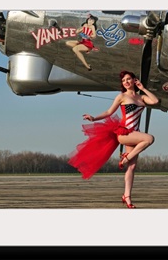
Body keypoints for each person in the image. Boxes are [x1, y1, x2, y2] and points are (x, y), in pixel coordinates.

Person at [68, 70, 159, 208]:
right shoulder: (121, 96)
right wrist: (93, 118)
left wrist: (142, 88)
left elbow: (156, 101)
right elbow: (108, 112)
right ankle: (125, 158)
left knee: (132, 167)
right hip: (124, 133)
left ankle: (127, 196)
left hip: (135, 134)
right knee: (149, 139)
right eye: (123, 81)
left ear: (134, 80)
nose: (126, 82)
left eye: (128, 79)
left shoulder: (141, 98)